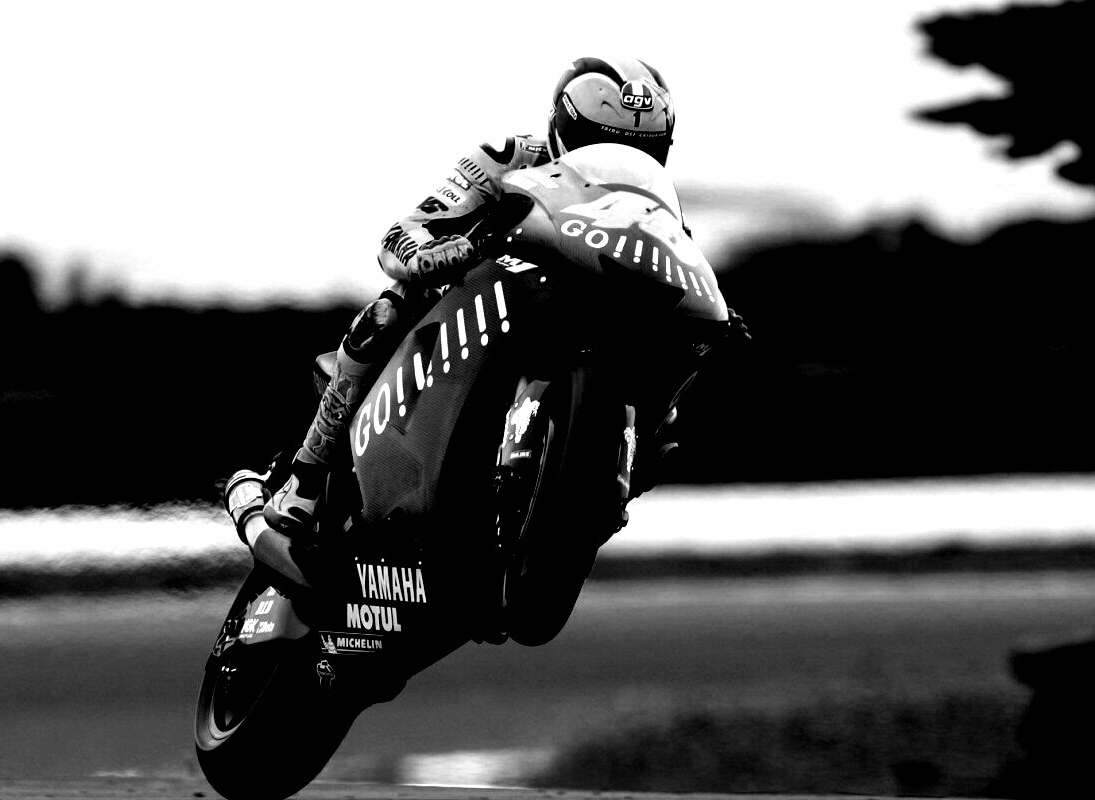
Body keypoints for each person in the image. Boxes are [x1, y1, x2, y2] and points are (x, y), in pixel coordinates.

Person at [225, 55, 747, 545]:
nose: (620, 160)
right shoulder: (507, 158)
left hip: (589, 321)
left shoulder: (656, 207)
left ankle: (598, 493)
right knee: (384, 314)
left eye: (642, 150)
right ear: (561, 128)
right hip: (477, 297)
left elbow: (680, 275)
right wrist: (436, 253)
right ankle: (304, 477)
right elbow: (404, 232)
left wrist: (713, 318)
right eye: (599, 142)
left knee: (669, 423)